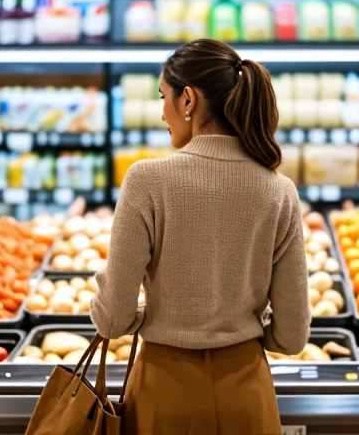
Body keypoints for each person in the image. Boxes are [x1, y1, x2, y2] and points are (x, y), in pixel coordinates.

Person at [90, 39, 311, 434]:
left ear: (188, 99)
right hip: (248, 394)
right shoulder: (280, 191)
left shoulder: (147, 181)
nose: (162, 112)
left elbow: (112, 319)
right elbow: (293, 335)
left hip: (164, 391)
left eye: (164, 96)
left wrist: (152, 317)